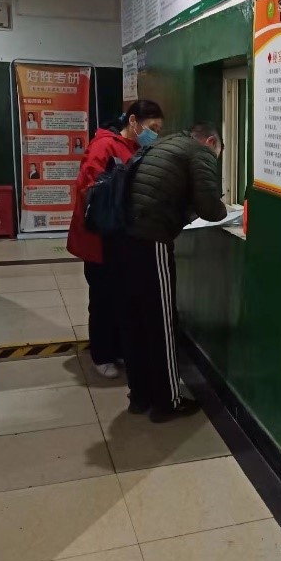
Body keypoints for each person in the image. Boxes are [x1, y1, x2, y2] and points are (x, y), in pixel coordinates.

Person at [107, 123, 226, 422]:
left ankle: (140, 396)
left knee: (135, 320)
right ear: (211, 142)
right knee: (161, 322)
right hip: (150, 239)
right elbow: (211, 208)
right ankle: (168, 402)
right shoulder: (200, 153)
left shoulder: (166, 143)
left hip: (123, 237)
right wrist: (224, 208)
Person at [67, 100, 165, 379]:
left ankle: (119, 347)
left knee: (122, 297)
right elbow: (89, 189)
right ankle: (102, 354)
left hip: (121, 240)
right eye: (152, 127)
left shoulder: (134, 147)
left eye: (159, 130)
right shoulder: (104, 146)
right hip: (100, 240)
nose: (154, 134)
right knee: (103, 298)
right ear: (133, 121)